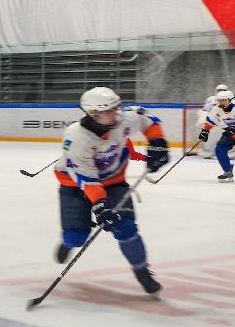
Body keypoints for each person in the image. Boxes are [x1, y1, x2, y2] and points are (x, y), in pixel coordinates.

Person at [53, 87, 169, 295]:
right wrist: (100, 205)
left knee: (126, 228)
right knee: (76, 237)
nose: (116, 113)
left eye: (116, 107)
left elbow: (146, 117)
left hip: (113, 182)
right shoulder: (76, 138)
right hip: (74, 186)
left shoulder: (122, 120)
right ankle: (68, 242)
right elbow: (86, 180)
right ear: (93, 114)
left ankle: (141, 271)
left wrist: (157, 143)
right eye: (109, 110)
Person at [197, 89, 235, 183]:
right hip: (229, 134)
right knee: (220, 149)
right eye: (219, 100)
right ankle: (228, 171)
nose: (220, 102)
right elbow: (211, 121)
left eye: (223, 100)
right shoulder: (216, 109)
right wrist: (205, 131)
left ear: (230, 100)